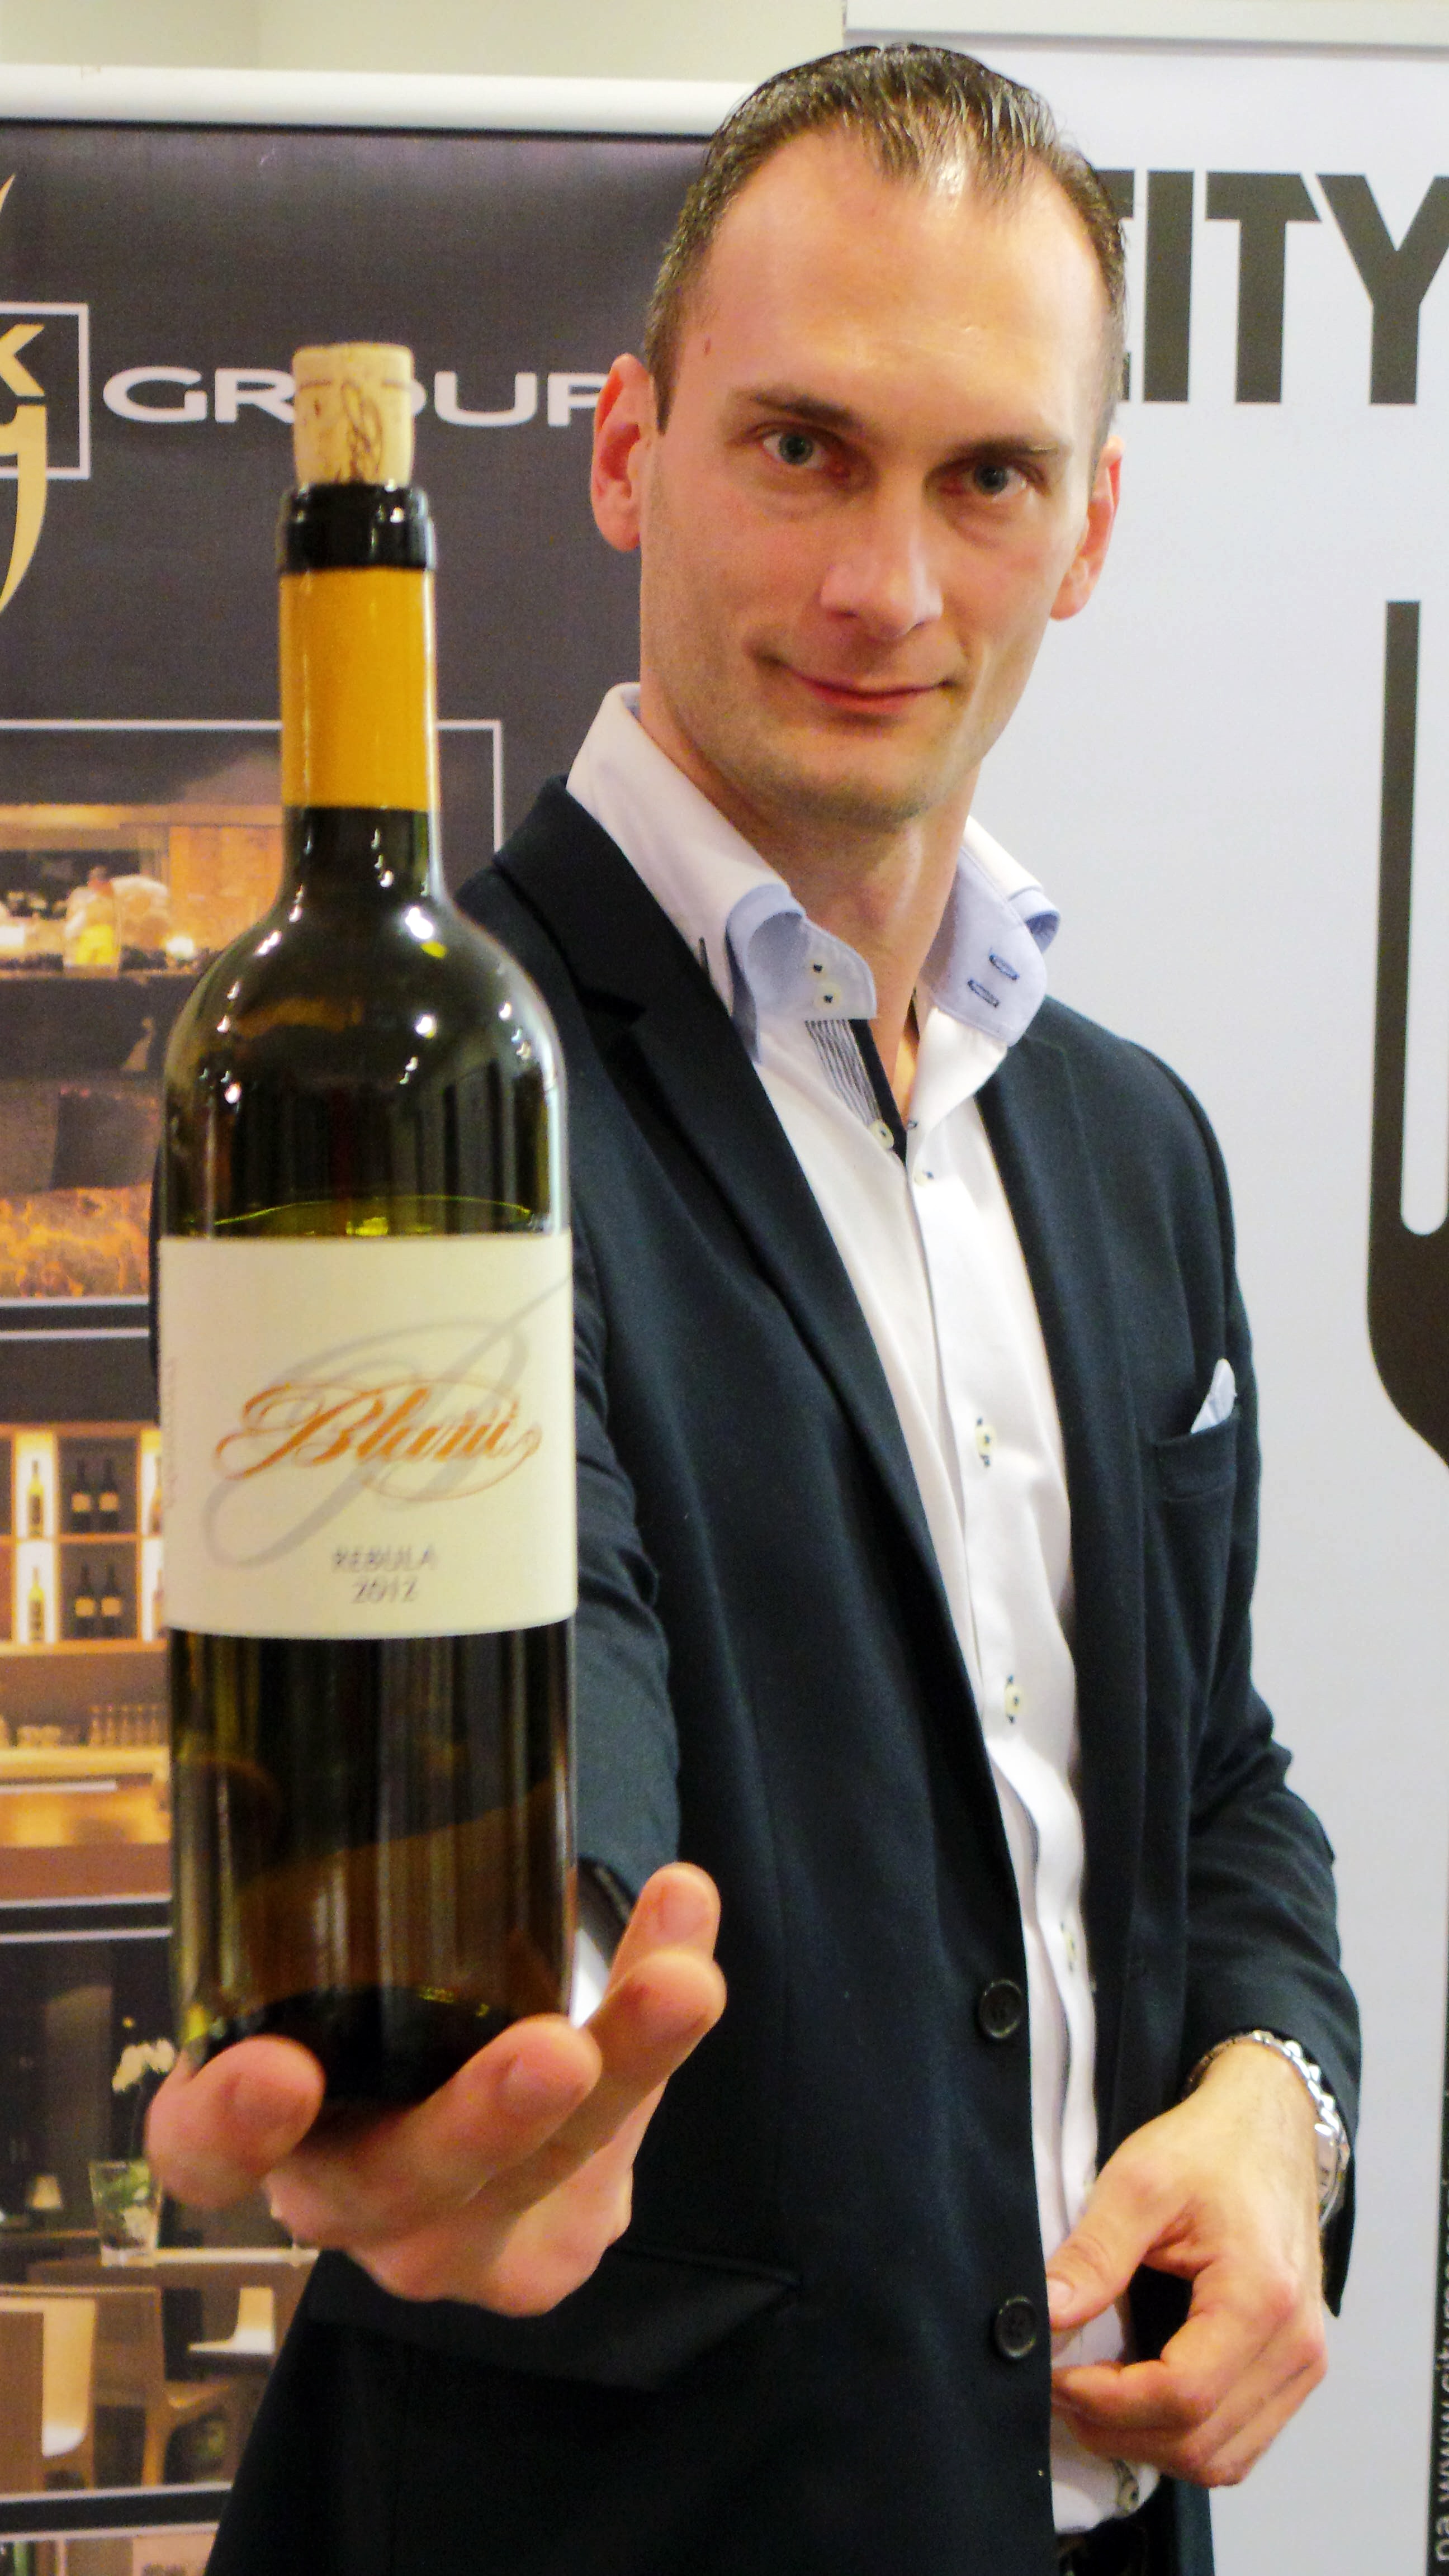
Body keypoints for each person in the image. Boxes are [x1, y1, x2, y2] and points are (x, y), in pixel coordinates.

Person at [149, 46, 1359, 2576]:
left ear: (1089, 528)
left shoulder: (1130, 1139)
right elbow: (530, 1686)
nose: (883, 590)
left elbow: (1209, 1771)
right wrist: (528, 2034)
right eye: (802, 449)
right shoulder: (433, 1085)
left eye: (985, 478)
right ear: (628, 452)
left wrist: (1280, 2097)